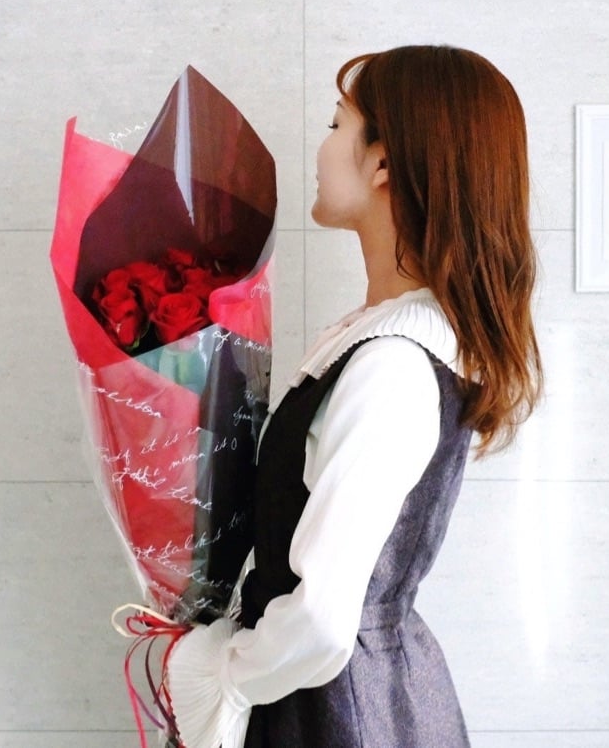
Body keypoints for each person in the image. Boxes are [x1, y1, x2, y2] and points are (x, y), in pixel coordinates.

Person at [166, 44, 543, 748]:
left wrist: (217, 674)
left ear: (383, 163)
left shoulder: (392, 364)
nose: (321, 146)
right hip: (354, 695)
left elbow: (320, 621)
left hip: (332, 713)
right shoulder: (389, 337)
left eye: (337, 124)